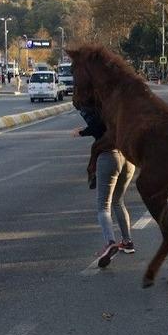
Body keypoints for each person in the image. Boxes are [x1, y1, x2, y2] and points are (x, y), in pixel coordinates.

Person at [72, 107, 136, 267]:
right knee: (118, 201)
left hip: (109, 157)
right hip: (127, 158)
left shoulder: (99, 109)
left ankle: (110, 243)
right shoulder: (120, 107)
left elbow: (98, 126)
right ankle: (127, 242)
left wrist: (82, 132)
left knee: (103, 206)